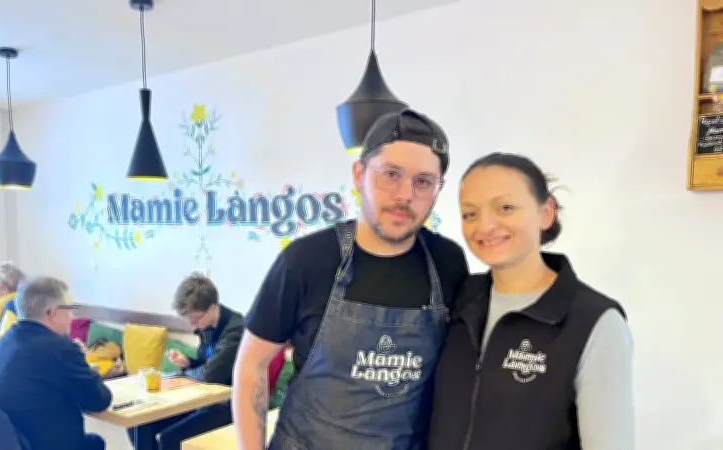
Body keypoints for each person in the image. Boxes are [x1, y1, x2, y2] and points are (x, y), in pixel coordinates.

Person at [233, 108, 469, 450]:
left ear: (438, 188)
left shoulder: (448, 263)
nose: (405, 195)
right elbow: (252, 365)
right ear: (359, 174)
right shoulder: (306, 260)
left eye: (423, 181)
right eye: (391, 174)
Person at [427, 153, 635, 449]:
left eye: (505, 208)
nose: (484, 226)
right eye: (470, 213)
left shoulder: (595, 322)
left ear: (546, 212)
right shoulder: (458, 300)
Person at [0, 276, 112, 450]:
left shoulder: (5, 341)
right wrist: (80, 358)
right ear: (54, 313)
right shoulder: (60, 348)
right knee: (94, 443)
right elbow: (99, 399)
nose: (72, 316)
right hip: (39, 444)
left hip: (3, 442)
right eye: (70, 309)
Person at [128, 272, 245, 450]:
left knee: (170, 439)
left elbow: (209, 374)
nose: (193, 325)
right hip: (205, 400)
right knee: (140, 424)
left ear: (213, 307)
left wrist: (185, 373)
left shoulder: (235, 329)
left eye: (195, 319)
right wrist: (189, 363)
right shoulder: (207, 325)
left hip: (229, 406)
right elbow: (207, 362)